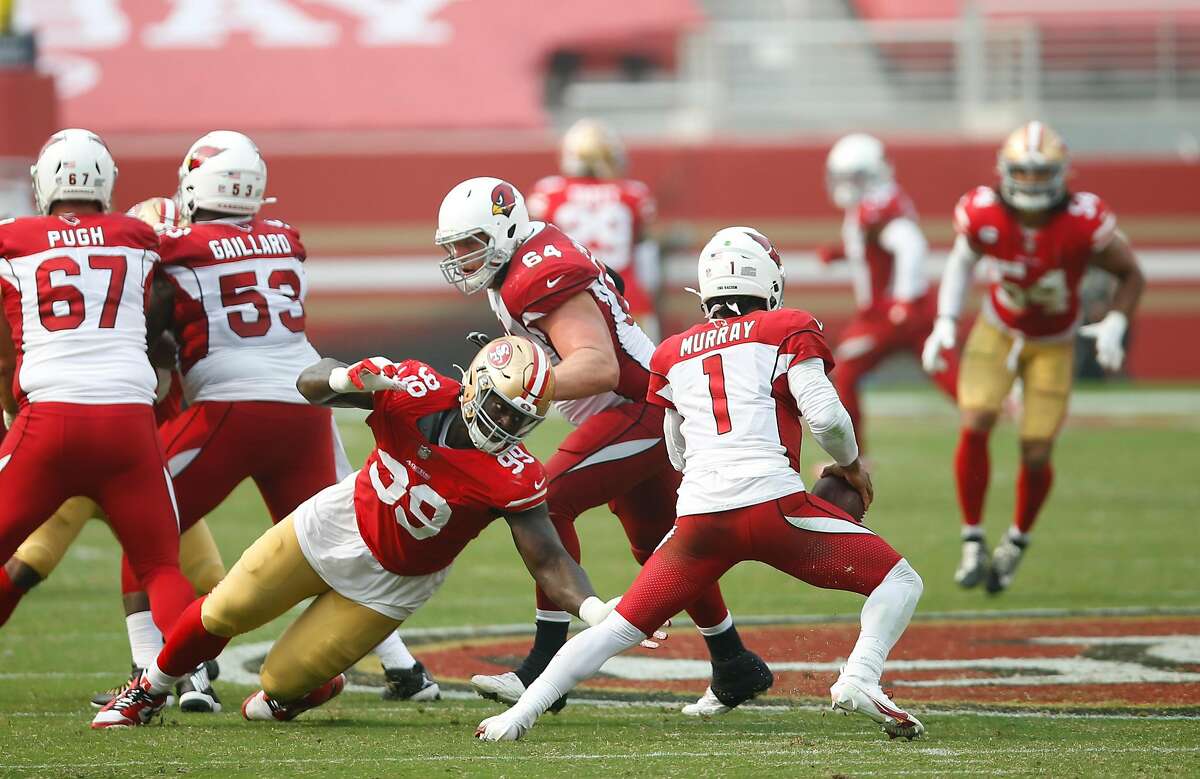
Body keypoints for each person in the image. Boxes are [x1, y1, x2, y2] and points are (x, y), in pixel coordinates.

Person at [475, 227, 924, 742]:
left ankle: (516, 718)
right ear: (771, 281)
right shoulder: (790, 327)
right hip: (776, 506)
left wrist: (711, 482)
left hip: (700, 519)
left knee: (616, 629)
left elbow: (677, 449)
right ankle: (860, 677)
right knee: (900, 581)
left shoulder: (671, 351)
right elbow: (826, 418)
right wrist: (849, 466)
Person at [92, 337, 630, 728]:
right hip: (336, 522)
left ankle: (313, 686)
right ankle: (147, 692)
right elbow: (309, 384)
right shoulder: (412, 388)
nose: (506, 428)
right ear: (474, 385)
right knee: (223, 610)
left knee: (278, 687)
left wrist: (592, 610)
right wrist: (342, 379)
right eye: (500, 410)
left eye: (520, 421)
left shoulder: (513, 474)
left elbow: (548, 560)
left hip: (393, 584)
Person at [436, 177, 771, 717]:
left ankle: (548, 667)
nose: (460, 257)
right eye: (452, 247)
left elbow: (598, 366)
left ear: (504, 230)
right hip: (645, 406)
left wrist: (517, 384)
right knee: (661, 544)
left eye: (469, 243)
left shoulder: (535, 274)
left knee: (546, 497)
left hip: (639, 407)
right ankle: (733, 663)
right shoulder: (525, 259)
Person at [0, 195, 228, 709]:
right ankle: (181, 674)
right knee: (162, 567)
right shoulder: (150, 280)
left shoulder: (138, 296)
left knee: (31, 560)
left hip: (59, 437)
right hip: (135, 445)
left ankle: (165, 673)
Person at [921, 121, 1144, 593]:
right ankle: (972, 539)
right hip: (997, 330)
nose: (1032, 183)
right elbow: (962, 260)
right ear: (1006, 172)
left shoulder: (1083, 220)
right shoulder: (983, 213)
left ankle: (1016, 542)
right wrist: (944, 320)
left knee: (1037, 450)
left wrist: (1117, 321)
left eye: (1042, 174)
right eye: (1023, 172)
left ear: (1062, 175)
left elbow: (1130, 273)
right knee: (977, 418)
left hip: (1055, 341)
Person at [0, 129, 195, 648]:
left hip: (48, 420)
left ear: (43, 182)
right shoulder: (139, 234)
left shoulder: (12, 236)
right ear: (107, 182)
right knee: (161, 568)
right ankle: (186, 671)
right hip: (130, 422)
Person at [817, 133, 957, 449]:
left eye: (851, 177)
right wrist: (841, 253)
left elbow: (911, 245)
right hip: (914, 309)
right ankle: (990, 412)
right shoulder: (869, 207)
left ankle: (854, 458)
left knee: (845, 374)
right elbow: (877, 250)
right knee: (949, 376)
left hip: (889, 313)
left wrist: (902, 301)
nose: (843, 185)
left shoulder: (876, 207)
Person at [527, 119, 662, 339]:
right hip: (627, 299)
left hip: (571, 301)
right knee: (645, 369)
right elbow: (646, 252)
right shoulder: (633, 194)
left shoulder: (548, 193)